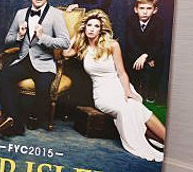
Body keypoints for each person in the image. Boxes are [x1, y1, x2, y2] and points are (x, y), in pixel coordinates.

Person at [63, 9, 166, 162]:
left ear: (101, 29)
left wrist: (127, 91)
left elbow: (122, 73)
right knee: (127, 110)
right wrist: (76, 36)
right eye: (89, 25)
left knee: (136, 107)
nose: (92, 29)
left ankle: (170, 144)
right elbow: (64, 53)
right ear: (84, 28)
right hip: (102, 95)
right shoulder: (82, 47)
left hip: (119, 87)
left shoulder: (112, 45)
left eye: (96, 26)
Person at [0, 0, 70, 129]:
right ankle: (14, 120)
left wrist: (42, 37)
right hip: (24, 60)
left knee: (43, 86)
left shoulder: (56, 14)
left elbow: (65, 43)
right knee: (3, 75)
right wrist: (19, 35)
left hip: (44, 63)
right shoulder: (20, 14)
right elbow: (7, 40)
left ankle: (35, 118)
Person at [123, 0, 165, 102]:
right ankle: (133, 91)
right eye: (142, 8)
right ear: (136, 9)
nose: (145, 12)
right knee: (130, 66)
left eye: (149, 8)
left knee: (156, 64)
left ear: (155, 10)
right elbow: (130, 42)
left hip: (152, 54)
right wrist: (141, 56)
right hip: (134, 54)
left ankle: (151, 93)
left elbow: (158, 43)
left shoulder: (159, 22)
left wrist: (147, 56)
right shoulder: (130, 20)